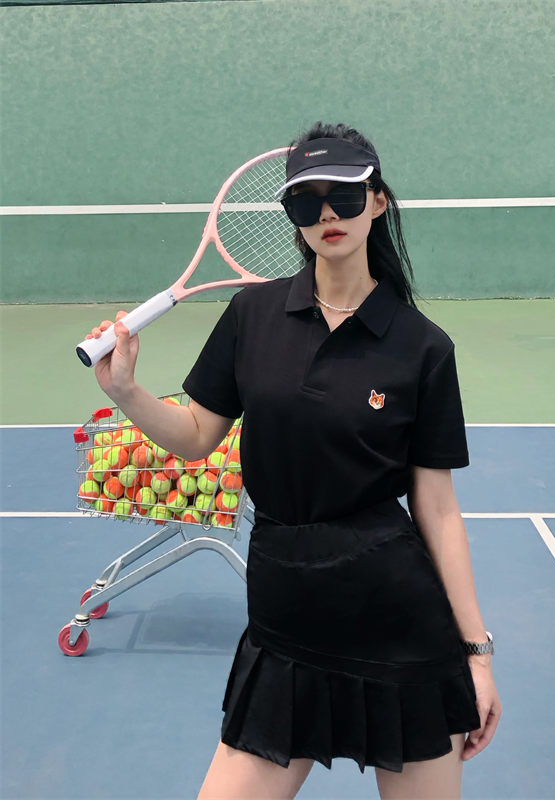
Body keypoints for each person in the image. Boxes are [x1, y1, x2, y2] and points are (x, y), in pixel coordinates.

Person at [85, 121, 502, 800]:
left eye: (345, 194)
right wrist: (126, 391)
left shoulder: (423, 347)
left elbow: (437, 509)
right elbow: (196, 436)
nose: (328, 213)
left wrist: (477, 655)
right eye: (307, 202)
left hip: (398, 624)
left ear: (378, 202)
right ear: (293, 217)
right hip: (286, 620)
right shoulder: (252, 315)